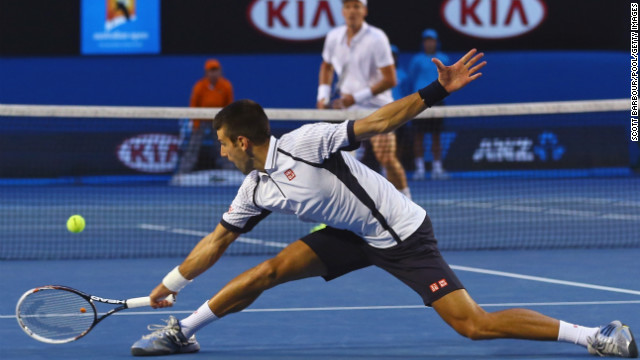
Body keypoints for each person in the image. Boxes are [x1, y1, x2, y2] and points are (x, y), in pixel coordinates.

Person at [130, 50, 637, 359]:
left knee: (473, 325)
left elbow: (377, 123)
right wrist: (168, 286)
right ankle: (184, 332)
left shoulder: (307, 142)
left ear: (243, 141)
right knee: (268, 271)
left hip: (402, 234)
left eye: (221, 142)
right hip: (350, 234)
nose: (217, 150)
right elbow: (217, 240)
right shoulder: (253, 189)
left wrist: (438, 89)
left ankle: (595, 334)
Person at [316, 0, 411, 199]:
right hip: (349, 112)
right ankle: (342, 217)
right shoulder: (334, 37)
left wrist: (356, 98)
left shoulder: (377, 38)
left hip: (378, 109)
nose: (352, 11)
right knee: (342, 164)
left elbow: (390, 79)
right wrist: (322, 96)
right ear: (343, 11)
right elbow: (326, 66)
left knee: (386, 157)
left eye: (357, 6)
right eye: (348, 7)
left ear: (364, 11)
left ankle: (407, 201)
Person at [171, 59, 234, 184]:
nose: (213, 73)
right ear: (206, 72)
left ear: (220, 71)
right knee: (193, 147)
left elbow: (229, 106)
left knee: (224, 147)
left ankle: (230, 172)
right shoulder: (199, 86)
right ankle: (182, 174)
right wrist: (196, 124)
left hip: (218, 121)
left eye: (215, 70)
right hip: (201, 120)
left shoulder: (226, 85)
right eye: (211, 71)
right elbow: (194, 105)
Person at [408, 29, 450, 180]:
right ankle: (419, 169)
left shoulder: (443, 58)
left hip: (438, 102)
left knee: (437, 136)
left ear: (436, 42)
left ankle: (437, 168)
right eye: (426, 40)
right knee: (418, 136)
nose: (429, 43)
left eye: (432, 40)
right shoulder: (416, 60)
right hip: (420, 100)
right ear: (423, 43)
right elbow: (412, 78)